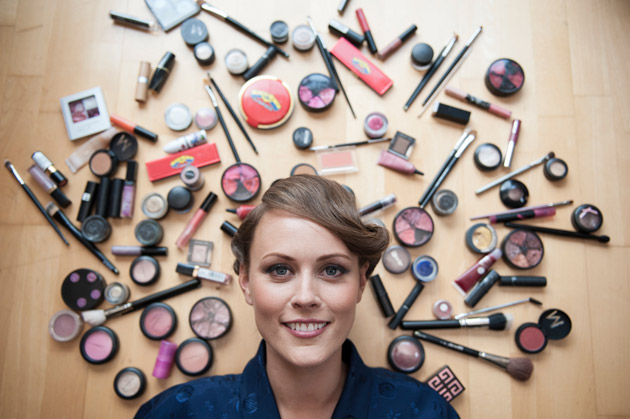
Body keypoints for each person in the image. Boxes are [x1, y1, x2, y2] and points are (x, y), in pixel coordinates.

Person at [136, 175, 459, 418]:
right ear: (246, 282)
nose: (306, 297)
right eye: (280, 270)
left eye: (332, 270)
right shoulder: (176, 412)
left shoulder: (425, 412)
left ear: (361, 283)